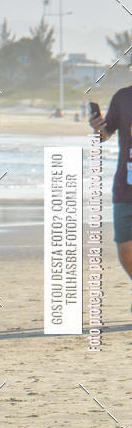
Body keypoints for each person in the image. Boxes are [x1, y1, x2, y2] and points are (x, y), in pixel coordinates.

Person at [90, 87, 132, 299]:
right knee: (125, 248)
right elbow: (105, 135)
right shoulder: (123, 98)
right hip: (125, 185)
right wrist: (97, 128)